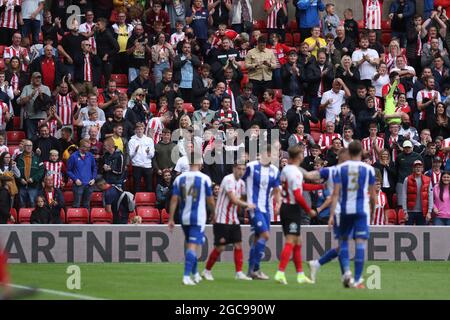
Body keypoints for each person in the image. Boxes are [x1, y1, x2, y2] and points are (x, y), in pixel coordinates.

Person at [329, 140, 376, 289]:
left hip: (344, 210)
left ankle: (347, 273)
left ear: (349, 152)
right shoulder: (368, 169)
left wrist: (331, 215)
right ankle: (356, 280)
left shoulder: (340, 168)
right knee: (360, 243)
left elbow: (335, 194)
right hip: (362, 210)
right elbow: (373, 196)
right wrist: (373, 211)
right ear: (362, 152)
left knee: (343, 241)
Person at [168, 151, 215, 286]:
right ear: (200, 162)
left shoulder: (180, 178)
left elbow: (174, 199)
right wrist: (215, 213)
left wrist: (171, 218)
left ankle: (194, 274)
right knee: (192, 247)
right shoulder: (204, 178)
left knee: (190, 245)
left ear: (188, 162)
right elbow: (210, 200)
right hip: (197, 217)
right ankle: (186, 276)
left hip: (184, 217)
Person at [202, 164, 254, 281]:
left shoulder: (241, 183)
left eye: (243, 169)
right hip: (221, 219)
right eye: (239, 168)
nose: (241, 171)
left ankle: (239, 273)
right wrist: (248, 205)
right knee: (220, 247)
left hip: (233, 219)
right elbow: (233, 199)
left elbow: (243, 197)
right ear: (234, 169)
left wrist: (246, 201)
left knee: (238, 244)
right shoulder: (228, 179)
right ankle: (207, 271)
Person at [274, 145, 316, 285]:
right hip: (292, 209)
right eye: (302, 154)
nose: (304, 155)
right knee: (291, 241)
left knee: (298, 242)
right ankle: (280, 273)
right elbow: (298, 195)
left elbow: (300, 187)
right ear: (298, 156)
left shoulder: (286, 169)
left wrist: (320, 186)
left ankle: (300, 275)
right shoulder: (295, 172)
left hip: (287, 208)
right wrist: (308, 210)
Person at [243, 145, 281, 280]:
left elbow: (277, 190)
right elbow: (240, 181)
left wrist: (278, 204)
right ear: (265, 153)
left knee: (258, 239)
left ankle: (251, 271)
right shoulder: (251, 166)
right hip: (254, 208)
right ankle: (256, 268)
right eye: (273, 153)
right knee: (265, 235)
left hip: (267, 209)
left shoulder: (275, 171)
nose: (275, 156)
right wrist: (242, 201)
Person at [67, 139, 97, 209]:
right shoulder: (73, 156)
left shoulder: (90, 155)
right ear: (81, 147)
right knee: (76, 204)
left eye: (89, 147)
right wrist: (75, 179)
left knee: (87, 205)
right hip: (78, 185)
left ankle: (87, 220)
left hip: (89, 184)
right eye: (87, 147)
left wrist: (93, 178)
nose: (89, 149)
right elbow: (68, 171)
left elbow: (94, 168)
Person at [402, 159, 433, 225]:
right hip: (410, 211)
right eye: (416, 167)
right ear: (413, 169)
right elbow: (404, 196)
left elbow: (430, 196)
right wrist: (405, 212)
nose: (418, 169)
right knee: (408, 231)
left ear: (422, 169)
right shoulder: (407, 179)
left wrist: (429, 212)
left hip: (423, 211)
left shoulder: (428, 180)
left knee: (422, 233)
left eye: (419, 167)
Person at [128, 122, 155, 192]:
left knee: (149, 186)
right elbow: (130, 155)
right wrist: (135, 151)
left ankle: (148, 200)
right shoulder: (131, 141)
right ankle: (136, 201)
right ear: (135, 130)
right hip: (137, 166)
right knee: (136, 187)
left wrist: (148, 152)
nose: (139, 131)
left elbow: (152, 155)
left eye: (141, 129)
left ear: (144, 130)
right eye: (138, 129)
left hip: (147, 166)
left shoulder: (149, 140)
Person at [17, 139, 44, 208]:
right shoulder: (18, 157)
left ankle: (33, 218)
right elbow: (14, 171)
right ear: (23, 146)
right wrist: (20, 179)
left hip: (33, 186)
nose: (29, 147)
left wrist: (33, 178)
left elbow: (41, 171)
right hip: (22, 185)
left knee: (33, 203)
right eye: (27, 145)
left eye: (30, 145)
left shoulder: (38, 158)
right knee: (21, 204)